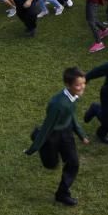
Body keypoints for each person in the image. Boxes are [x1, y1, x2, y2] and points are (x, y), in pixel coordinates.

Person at [24, 67, 90, 206]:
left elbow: (71, 115)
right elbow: (47, 127)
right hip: (52, 135)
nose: (82, 87)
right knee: (50, 164)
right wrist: (33, 148)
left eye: (84, 83)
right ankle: (37, 137)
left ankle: (62, 194)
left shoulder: (73, 96)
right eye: (78, 85)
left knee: (73, 163)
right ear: (68, 85)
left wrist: (81, 134)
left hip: (66, 133)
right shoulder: (57, 104)